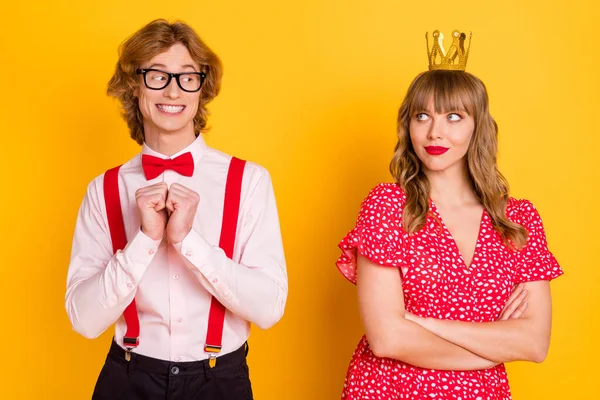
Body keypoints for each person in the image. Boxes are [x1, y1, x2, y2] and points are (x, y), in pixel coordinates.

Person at [65, 19, 287, 400]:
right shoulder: (103, 190)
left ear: (203, 88)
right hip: (128, 379)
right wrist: (145, 239)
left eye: (187, 77)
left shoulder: (249, 181)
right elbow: (84, 320)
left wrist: (188, 242)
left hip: (220, 381)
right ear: (134, 86)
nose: (173, 90)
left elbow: (269, 309)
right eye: (156, 75)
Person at [335, 30, 563, 399]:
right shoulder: (387, 206)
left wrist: (422, 322)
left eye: (454, 116)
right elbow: (388, 339)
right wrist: (493, 349)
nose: (434, 132)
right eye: (422, 115)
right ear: (407, 126)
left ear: (478, 126)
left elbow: (535, 343)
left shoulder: (518, 220)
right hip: (390, 389)